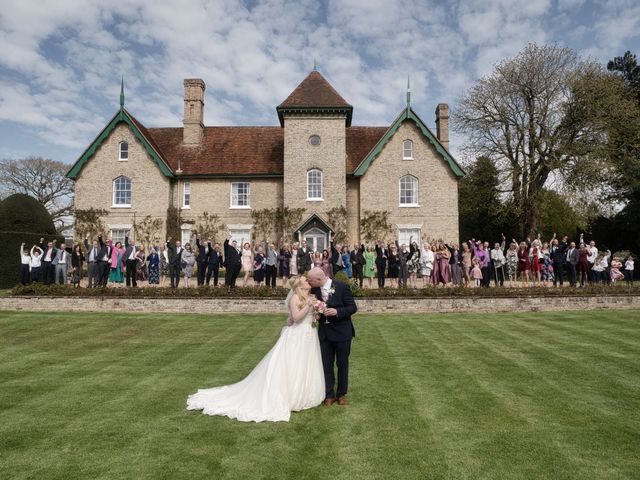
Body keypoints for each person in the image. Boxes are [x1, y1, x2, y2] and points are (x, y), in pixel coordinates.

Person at [186, 276, 325, 422]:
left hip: (308, 335)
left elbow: (311, 318)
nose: (308, 281)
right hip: (296, 337)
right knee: (292, 366)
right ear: (299, 284)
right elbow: (296, 318)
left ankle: (304, 394)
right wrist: (309, 306)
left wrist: (317, 313)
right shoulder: (295, 298)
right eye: (305, 280)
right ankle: (289, 396)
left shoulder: (311, 297)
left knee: (305, 366)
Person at [308, 267, 358, 406]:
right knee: (326, 365)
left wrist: (337, 311)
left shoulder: (342, 287)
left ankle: (341, 394)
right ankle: (329, 394)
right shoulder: (314, 291)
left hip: (342, 332)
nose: (309, 282)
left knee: (342, 364)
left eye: (310, 280)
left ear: (319, 279)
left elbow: (352, 307)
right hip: (325, 333)